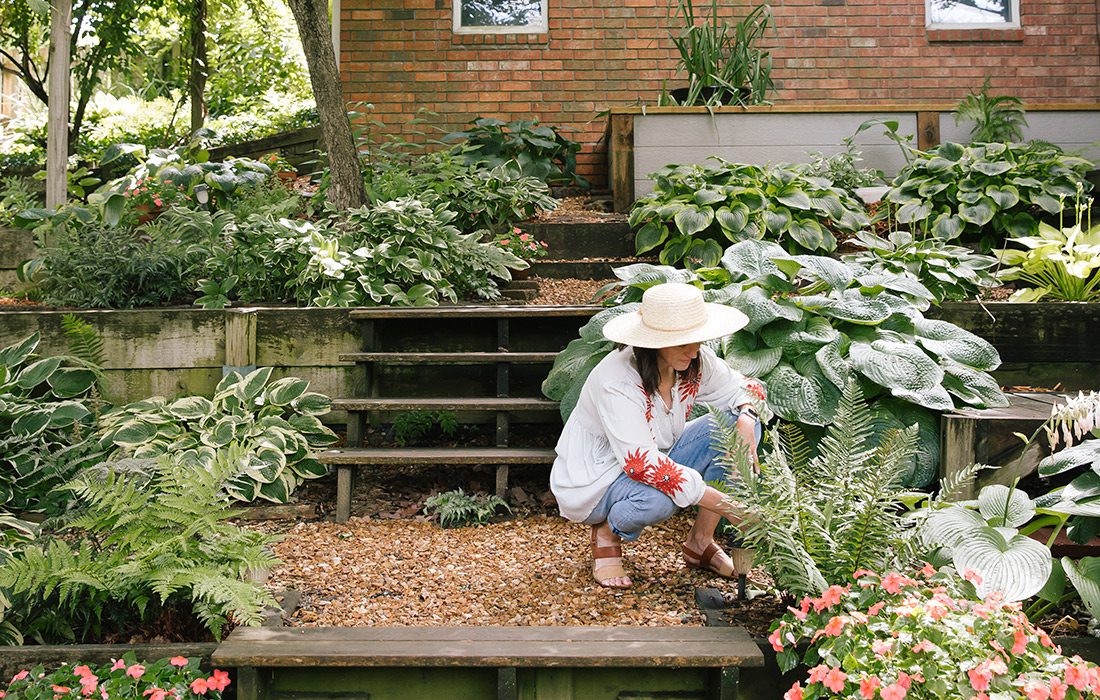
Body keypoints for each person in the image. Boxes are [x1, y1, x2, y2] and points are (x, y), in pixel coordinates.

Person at [550, 282, 764, 589]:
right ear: (653, 342)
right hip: (597, 481)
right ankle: (607, 533)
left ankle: (700, 542)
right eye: (682, 343)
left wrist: (745, 418)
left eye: (697, 340)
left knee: (738, 425)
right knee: (657, 501)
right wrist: (731, 507)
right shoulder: (618, 381)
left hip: (656, 455)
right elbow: (642, 465)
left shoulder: (693, 360)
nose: (693, 351)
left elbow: (748, 387)